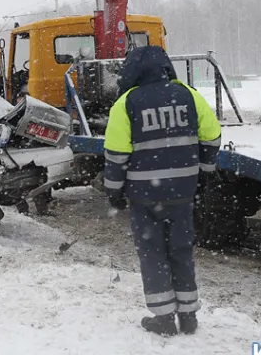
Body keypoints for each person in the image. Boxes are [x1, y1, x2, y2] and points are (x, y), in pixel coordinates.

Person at [102, 45, 221, 336]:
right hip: (182, 192)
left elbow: (116, 156)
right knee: (181, 250)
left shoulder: (126, 103)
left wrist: (113, 193)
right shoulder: (189, 95)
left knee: (153, 253)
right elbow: (213, 137)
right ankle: (189, 316)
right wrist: (204, 173)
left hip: (145, 196)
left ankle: (164, 319)